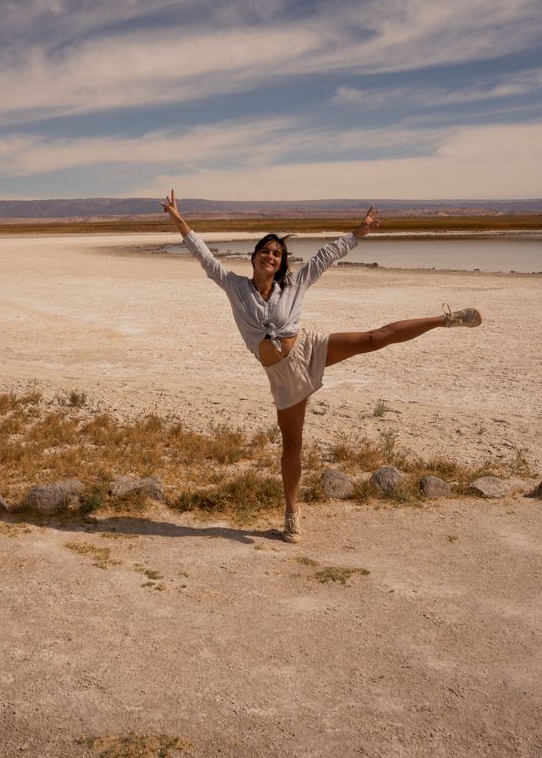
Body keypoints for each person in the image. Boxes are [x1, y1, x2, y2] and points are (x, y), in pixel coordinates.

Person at [161, 190, 482, 543]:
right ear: (253, 257)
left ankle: (446, 319)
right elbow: (204, 255)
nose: (271, 256)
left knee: (373, 338)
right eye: (266, 251)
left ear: (281, 263)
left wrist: (359, 232)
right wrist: (178, 218)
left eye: (277, 254)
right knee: (292, 445)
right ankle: (292, 512)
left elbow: (326, 255)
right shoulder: (234, 286)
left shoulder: (294, 283)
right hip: (282, 376)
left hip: (309, 349)